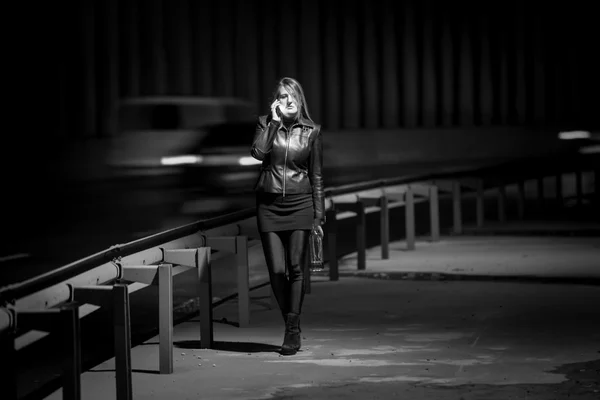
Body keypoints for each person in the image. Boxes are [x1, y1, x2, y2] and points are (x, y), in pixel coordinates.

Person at [250, 77, 324, 356]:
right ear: (276, 101)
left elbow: (316, 176)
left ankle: (292, 329)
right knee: (277, 272)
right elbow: (258, 153)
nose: (288, 100)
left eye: (292, 95)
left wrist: (318, 217)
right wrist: (271, 123)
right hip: (268, 205)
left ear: (300, 99)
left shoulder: (312, 131)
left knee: (296, 268)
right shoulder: (264, 123)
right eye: (282, 96)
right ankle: (291, 321)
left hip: (301, 204)